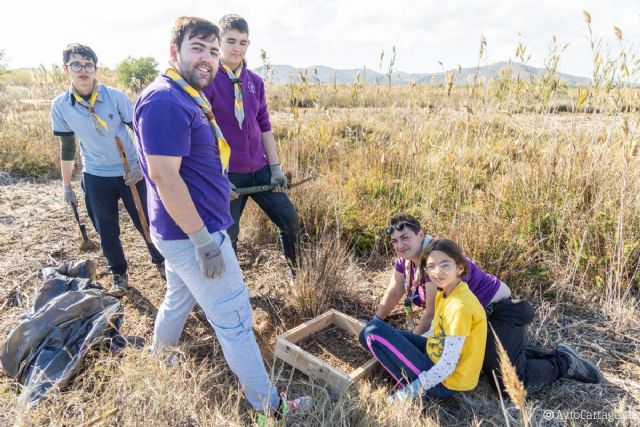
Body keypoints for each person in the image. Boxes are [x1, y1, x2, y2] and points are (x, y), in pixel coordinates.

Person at [133, 16, 307, 423]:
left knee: (178, 298)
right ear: (174, 51)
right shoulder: (165, 100)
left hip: (185, 229)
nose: (208, 58)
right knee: (235, 319)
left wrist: (217, 186)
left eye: (214, 51)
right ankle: (270, 409)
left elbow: (189, 163)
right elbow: (162, 175)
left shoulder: (186, 94)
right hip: (194, 234)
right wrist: (204, 242)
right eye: (199, 48)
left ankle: (160, 360)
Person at [361, 213, 603, 395]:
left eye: (405, 237)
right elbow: (395, 289)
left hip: (499, 312)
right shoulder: (405, 261)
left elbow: (431, 313)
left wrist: (408, 345)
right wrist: (376, 320)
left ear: (421, 235)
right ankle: (522, 353)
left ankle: (564, 362)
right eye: (395, 240)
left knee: (508, 384)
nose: (400, 245)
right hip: (471, 318)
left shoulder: (433, 261)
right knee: (477, 360)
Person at [50, 43, 165, 294]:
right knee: (106, 229)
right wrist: (67, 185)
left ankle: (161, 261)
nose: (83, 70)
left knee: (146, 221)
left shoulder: (115, 97)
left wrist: (144, 168)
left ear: (95, 67)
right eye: (76, 64)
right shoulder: (60, 105)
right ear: (65, 68)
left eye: (88, 64)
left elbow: (142, 133)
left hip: (130, 172)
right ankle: (119, 273)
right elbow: (68, 147)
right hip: (96, 175)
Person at [203, 14, 299, 271]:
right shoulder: (207, 82)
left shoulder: (255, 82)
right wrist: (218, 177)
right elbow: (202, 136)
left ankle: (297, 273)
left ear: (249, 44)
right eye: (231, 41)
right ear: (219, 42)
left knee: (289, 219)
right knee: (229, 234)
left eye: (242, 42)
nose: (236, 48)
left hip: (261, 170)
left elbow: (264, 126)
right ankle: (233, 284)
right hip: (228, 174)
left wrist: (276, 168)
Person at [361, 239, 487, 401]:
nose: (437, 271)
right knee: (367, 332)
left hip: (445, 382)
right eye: (431, 266)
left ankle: (406, 387)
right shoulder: (446, 292)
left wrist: (408, 392)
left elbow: (448, 365)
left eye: (445, 265)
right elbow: (436, 331)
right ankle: (406, 373)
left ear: (460, 268)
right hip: (432, 354)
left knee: (373, 333)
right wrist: (410, 347)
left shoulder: (459, 307)